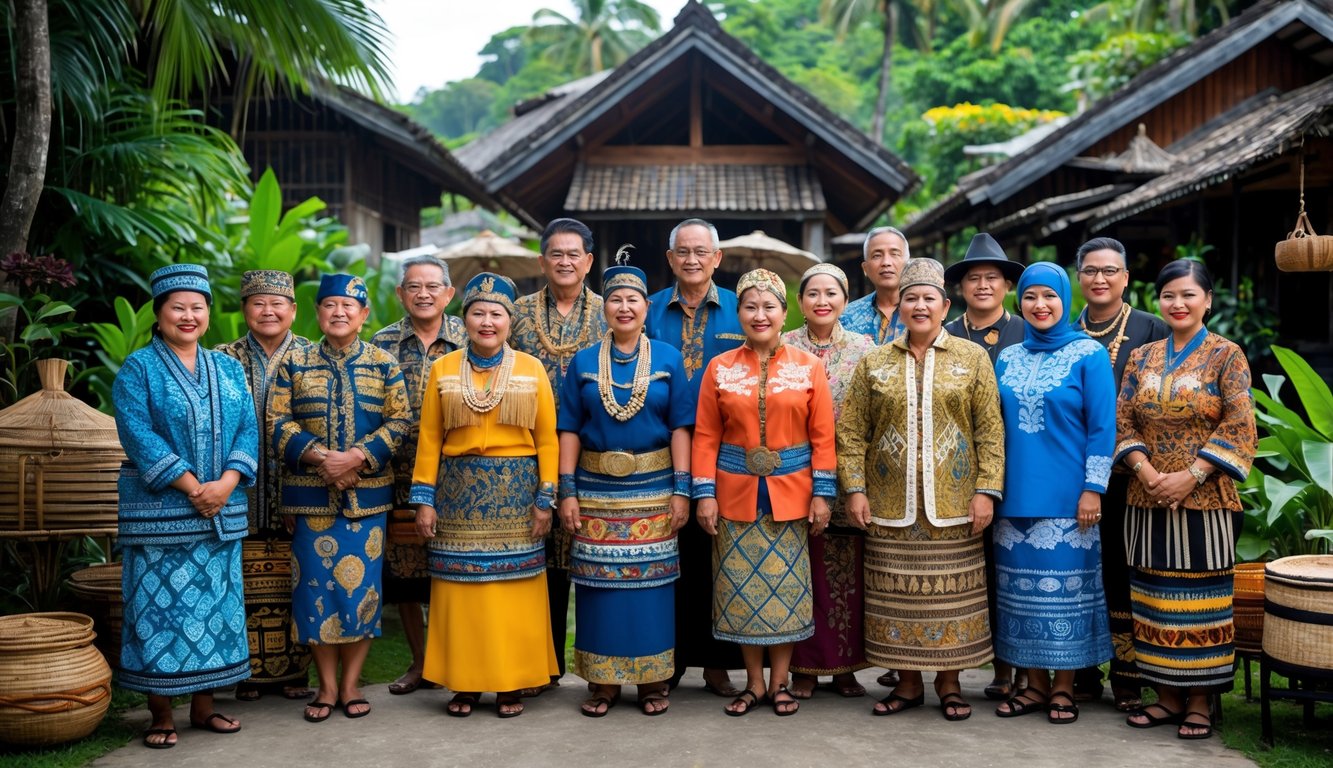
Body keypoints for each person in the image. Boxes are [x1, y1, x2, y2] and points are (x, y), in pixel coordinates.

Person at [837, 257, 1004, 722]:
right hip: (890, 506)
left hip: (953, 505)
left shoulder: (972, 358)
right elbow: (851, 432)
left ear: (945, 305)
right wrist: (855, 489)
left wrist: (986, 490)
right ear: (901, 306)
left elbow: (990, 431)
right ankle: (907, 685)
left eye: (929, 297)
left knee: (950, 600)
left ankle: (950, 686)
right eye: (911, 297)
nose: (919, 305)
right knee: (897, 602)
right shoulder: (874, 361)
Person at [114, 264, 258, 748]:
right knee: (159, 614)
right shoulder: (139, 368)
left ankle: (204, 708)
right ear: (159, 314)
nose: (189, 315)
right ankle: (161, 715)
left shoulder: (228, 367)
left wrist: (227, 483)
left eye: (198, 307)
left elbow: (247, 430)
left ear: (209, 314)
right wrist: (194, 485)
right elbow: (137, 434)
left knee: (216, 612)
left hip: (220, 511)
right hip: (163, 516)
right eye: (178, 307)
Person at [1116, 259, 1256, 741]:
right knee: (1153, 599)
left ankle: (1199, 700)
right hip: (1146, 496)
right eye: (1169, 295)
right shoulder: (1142, 357)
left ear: (1208, 300)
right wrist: (1148, 471)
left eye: (1188, 295)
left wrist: (1191, 475)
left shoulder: (1227, 355)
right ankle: (1166, 697)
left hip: (1206, 500)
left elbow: (1239, 424)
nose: (1177, 304)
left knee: (1202, 601)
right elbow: (1124, 421)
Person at [411, 272, 560, 718]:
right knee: (463, 593)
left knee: (513, 592)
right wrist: (424, 499)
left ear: (509, 321)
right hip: (456, 496)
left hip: (517, 497)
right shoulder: (442, 368)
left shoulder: (532, 369)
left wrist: (545, 497)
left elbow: (548, 438)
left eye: (496, 314)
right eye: (478, 313)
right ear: (465, 319)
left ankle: (511, 683)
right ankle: (466, 683)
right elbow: (430, 438)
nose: (487, 321)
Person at [692, 268, 837, 717]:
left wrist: (822, 495)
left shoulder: (808, 366)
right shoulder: (719, 368)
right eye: (750, 306)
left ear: (783, 311)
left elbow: (823, 437)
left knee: (786, 591)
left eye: (769, 306)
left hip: (791, 495)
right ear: (739, 313)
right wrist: (704, 493)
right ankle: (752, 683)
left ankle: (781, 683)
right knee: (741, 592)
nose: (760, 315)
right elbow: (704, 436)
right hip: (734, 495)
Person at [270, 274, 411, 723]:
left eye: (349, 306)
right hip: (310, 501)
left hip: (366, 501)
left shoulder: (384, 363)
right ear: (317, 313)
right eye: (330, 304)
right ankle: (326, 688)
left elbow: (399, 422)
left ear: (365, 314)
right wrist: (322, 459)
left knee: (362, 595)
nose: (339, 312)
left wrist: (356, 458)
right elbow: (277, 421)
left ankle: (351, 685)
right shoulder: (295, 362)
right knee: (314, 594)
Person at [556, 262, 693, 717]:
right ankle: (603, 683)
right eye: (615, 299)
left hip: (654, 489)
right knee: (600, 589)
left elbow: (680, 429)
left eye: (633, 299)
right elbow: (570, 430)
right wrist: (568, 490)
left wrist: (682, 489)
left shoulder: (669, 358)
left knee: (652, 589)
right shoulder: (582, 362)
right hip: (595, 490)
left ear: (646, 306)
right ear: (604, 309)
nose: (624, 307)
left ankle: (654, 680)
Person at [991, 262, 1116, 725]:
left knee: (1064, 596)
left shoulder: (1089, 354)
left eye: (1049, 296)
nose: (1039, 305)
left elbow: (1103, 428)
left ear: (1066, 300)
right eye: (1029, 297)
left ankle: (1063, 689)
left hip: (1069, 502)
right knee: (1020, 596)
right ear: (1018, 302)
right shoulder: (1007, 357)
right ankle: (1033, 686)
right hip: (1012, 499)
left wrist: (1093, 489)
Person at [645, 217, 745, 696]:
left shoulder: (739, 311)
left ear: (717, 258)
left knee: (715, 556)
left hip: (726, 455)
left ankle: (716, 664)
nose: (691, 259)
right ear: (670, 259)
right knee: (667, 557)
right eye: (682, 251)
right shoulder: (645, 310)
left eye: (701, 251)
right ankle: (670, 659)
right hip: (655, 451)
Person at [1072, 237, 1169, 710]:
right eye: (1090, 270)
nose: (1100, 279)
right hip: (1078, 478)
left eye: (1110, 270)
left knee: (1125, 571)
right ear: (1079, 278)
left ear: (1126, 278)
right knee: (1085, 573)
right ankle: (1085, 671)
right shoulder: (1067, 332)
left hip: (1137, 474)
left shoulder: (1152, 330)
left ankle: (1129, 676)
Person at [510, 218, 606, 689]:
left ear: (589, 261)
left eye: (574, 255)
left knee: (590, 563)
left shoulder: (612, 313)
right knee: (536, 564)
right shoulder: (516, 313)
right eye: (556, 254)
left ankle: (600, 666)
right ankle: (540, 665)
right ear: (542, 260)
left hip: (594, 458)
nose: (565, 262)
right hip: (526, 456)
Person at [215, 269, 316, 704]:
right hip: (239, 491)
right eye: (258, 303)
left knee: (297, 580)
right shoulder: (221, 358)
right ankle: (247, 674)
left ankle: (295, 673)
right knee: (242, 582)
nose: (268, 311)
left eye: (278, 303)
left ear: (293, 310)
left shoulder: (313, 356)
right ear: (245, 310)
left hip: (299, 487)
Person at [368, 255, 465, 696]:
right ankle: (421, 662)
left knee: (456, 573)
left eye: (432, 286)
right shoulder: (381, 343)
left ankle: (457, 662)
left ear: (449, 293)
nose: (423, 294)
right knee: (407, 576)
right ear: (400, 294)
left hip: (462, 479)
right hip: (398, 476)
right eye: (413, 286)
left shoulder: (471, 335)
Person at [780, 264, 875, 700]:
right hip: (794, 476)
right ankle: (804, 667)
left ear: (844, 299)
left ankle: (844, 666)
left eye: (831, 293)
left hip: (849, 474)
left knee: (844, 575)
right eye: (812, 293)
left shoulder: (865, 348)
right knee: (804, 573)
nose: (822, 300)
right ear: (800, 304)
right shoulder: (782, 347)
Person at [942, 234, 1027, 702]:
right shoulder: (946, 333)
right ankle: (940, 658)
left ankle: (1006, 665)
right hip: (955, 471)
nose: (982, 285)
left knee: (1007, 567)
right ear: (959, 288)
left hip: (1019, 465)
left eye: (992, 278)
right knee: (962, 565)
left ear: (1007, 285)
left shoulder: (1026, 332)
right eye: (973, 278)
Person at [840, 226, 910, 344]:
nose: (886, 263)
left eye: (894, 254)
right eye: (877, 255)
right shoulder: (846, 317)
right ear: (865, 268)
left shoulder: (923, 312)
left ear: (909, 264)